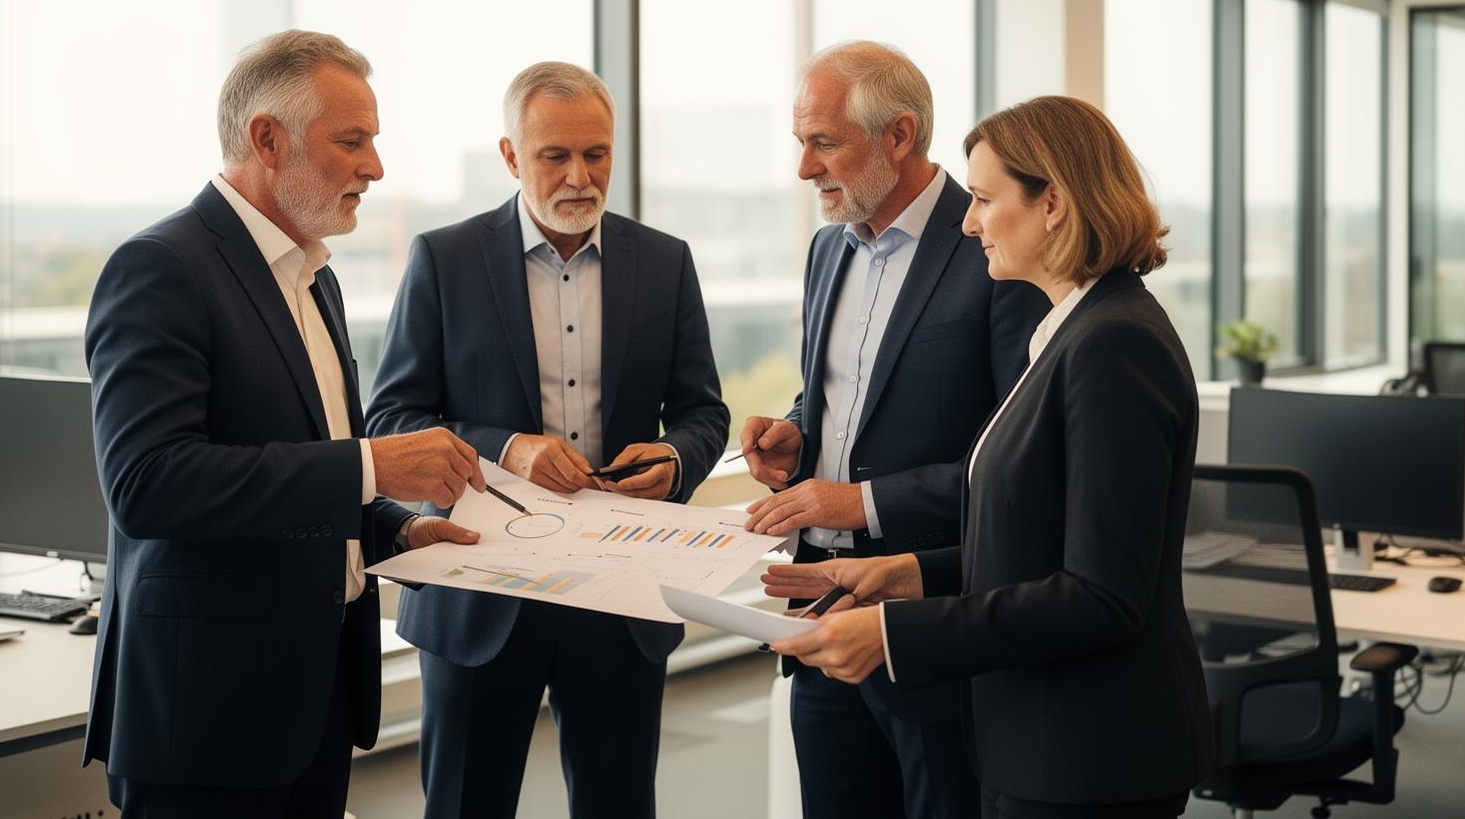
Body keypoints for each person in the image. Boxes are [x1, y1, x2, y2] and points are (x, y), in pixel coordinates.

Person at [767, 94, 1215, 819]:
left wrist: (889, 632)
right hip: (1040, 737)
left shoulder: (1113, 345)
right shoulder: (1069, 333)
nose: (969, 221)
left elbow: (1101, 597)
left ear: (1054, 204)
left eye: (981, 198)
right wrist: (906, 573)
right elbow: (1034, 544)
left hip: (1088, 754)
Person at [83, 29, 488, 818]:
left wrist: (397, 531)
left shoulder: (315, 278)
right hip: (205, 719)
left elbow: (303, 473)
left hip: (314, 705)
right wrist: (373, 467)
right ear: (267, 139)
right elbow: (147, 483)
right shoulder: (161, 267)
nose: (375, 166)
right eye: (352, 140)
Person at [367, 61, 729, 819]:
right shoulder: (444, 259)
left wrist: (673, 458)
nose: (578, 176)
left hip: (622, 596)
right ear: (510, 157)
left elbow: (703, 414)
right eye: (553, 156)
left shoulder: (666, 262)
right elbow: (392, 420)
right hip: (480, 594)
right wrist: (507, 448)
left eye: (595, 154)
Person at [738, 41, 1044, 819]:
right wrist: (797, 435)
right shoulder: (825, 248)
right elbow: (837, 395)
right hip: (818, 614)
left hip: (933, 618)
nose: (804, 167)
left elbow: (1018, 461)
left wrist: (857, 504)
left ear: (899, 137)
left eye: (824, 142)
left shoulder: (997, 247)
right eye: (799, 141)